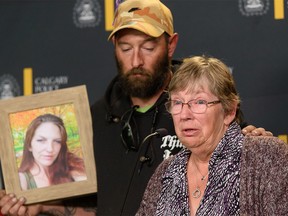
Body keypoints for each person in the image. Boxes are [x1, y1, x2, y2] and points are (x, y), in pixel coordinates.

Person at [0, 0, 272, 215]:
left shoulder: (200, 110)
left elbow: (239, 183)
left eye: (148, 47)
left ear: (171, 45)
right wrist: (42, 206)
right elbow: (96, 207)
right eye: (126, 48)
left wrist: (254, 147)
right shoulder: (93, 119)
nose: (136, 60)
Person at [136, 55, 288, 215]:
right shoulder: (166, 171)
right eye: (178, 103)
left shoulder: (266, 157)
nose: (184, 114)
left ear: (229, 111)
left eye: (199, 102)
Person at [18, 114, 87, 190]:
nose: (50, 149)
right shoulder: (21, 179)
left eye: (57, 141)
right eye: (41, 140)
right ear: (29, 145)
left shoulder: (70, 166)